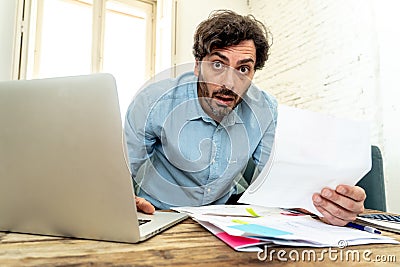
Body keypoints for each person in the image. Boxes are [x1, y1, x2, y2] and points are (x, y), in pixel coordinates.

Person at [124, 10, 366, 226]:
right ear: (198, 65)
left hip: (222, 220)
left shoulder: (264, 110)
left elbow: (282, 181)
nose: (229, 83)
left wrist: (328, 205)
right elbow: (120, 171)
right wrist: (119, 198)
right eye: (218, 64)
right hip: (159, 213)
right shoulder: (154, 100)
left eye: (242, 69)